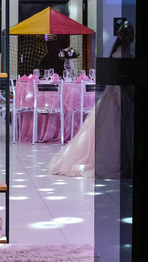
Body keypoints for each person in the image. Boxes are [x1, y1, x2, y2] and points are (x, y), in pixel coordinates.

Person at [48, 21, 134, 178]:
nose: (130, 36)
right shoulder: (119, 54)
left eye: (132, 33)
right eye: (127, 33)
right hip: (118, 95)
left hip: (125, 95)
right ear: (121, 36)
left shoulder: (128, 53)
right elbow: (118, 79)